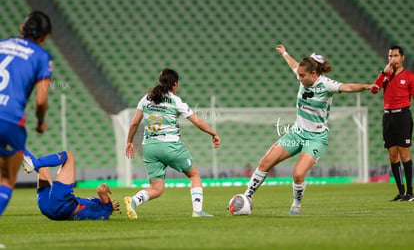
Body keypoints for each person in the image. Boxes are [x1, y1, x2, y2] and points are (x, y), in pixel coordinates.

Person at [242, 44, 376, 214]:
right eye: (298, 75)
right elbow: (293, 65)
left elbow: (347, 87)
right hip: (297, 133)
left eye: (302, 76)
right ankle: (247, 197)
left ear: (314, 74)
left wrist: (366, 86)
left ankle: (296, 204)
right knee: (265, 162)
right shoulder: (302, 76)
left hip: (316, 137)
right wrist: (285, 53)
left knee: (298, 174)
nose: (299, 79)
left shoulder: (326, 85)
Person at [124, 68, 221, 219]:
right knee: (194, 175)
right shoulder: (176, 101)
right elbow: (197, 122)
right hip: (170, 146)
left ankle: (134, 201)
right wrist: (213, 133)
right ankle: (198, 211)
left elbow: (134, 123)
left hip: (149, 147)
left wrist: (129, 141)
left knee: (156, 189)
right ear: (175, 84)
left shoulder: (146, 98)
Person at [0, 11, 52, 216]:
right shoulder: (41, 56)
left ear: (22, 28)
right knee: (5, 180)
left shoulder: (2, 44)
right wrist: (41, 121)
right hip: (8, 120)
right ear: (45, 37)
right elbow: (41, 100)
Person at [22, 149, 120, 220]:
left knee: (68, 156)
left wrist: (105, 187)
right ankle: (17, 146)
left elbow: (100, 190)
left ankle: (33, 163)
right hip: (49, 210)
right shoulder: (97, 210)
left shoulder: (105, 210)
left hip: (63, 205)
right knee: (43, 170)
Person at [371, 45, 414, 201]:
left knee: (404, 154)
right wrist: (383, 73)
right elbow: (374, 90)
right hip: (387, 117)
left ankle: (410, 192)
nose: (392, 59)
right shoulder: (385, 76)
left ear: (402, 58)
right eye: (390, 56)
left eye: (395, 55)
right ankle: (401, 192)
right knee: (392, 156)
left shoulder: (409, 76)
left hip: (402, 115)